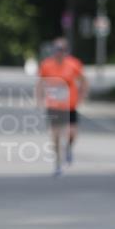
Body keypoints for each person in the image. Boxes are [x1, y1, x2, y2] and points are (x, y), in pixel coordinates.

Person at [37, 38, 87, 176]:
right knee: (56, 135)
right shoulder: (47, 64)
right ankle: (58, 163)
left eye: (63, 50)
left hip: (70, 105)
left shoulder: (74, 64)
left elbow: (83, 81)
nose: (60, 52)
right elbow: (41, 82)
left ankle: (69, 148)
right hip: (54, 105)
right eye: (57, 49)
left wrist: (82, 97)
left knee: (72, 133)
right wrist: (39, 99)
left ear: (67, 51)